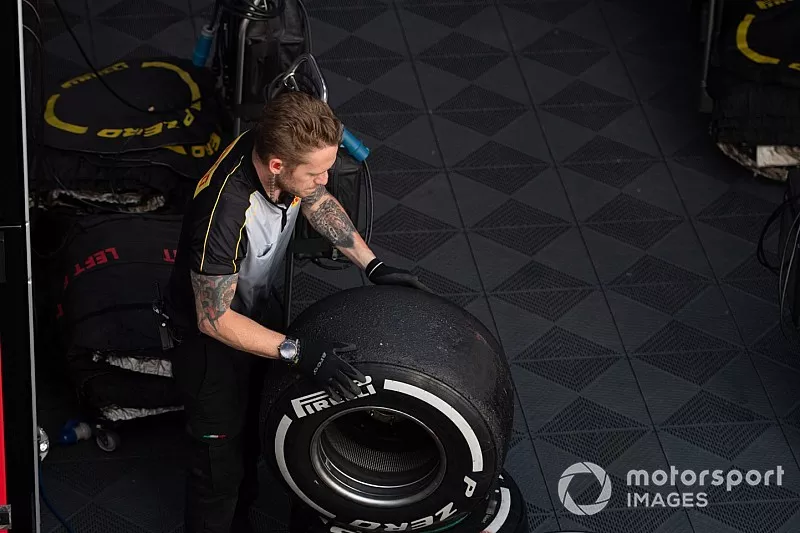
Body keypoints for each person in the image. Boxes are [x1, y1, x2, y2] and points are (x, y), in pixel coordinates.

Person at [163, 90, 425, 533]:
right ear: (277, 166)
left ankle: (243, 515)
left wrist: (373, 265)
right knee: (218, 470)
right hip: (209, 344)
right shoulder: (225, 213)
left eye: (327, 168)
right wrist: (300, 353)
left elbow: (317, 201)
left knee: (256, 429)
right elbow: (214, 320)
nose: (324, 179)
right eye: (316, 172)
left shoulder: (282, 158)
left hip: (257, 309)